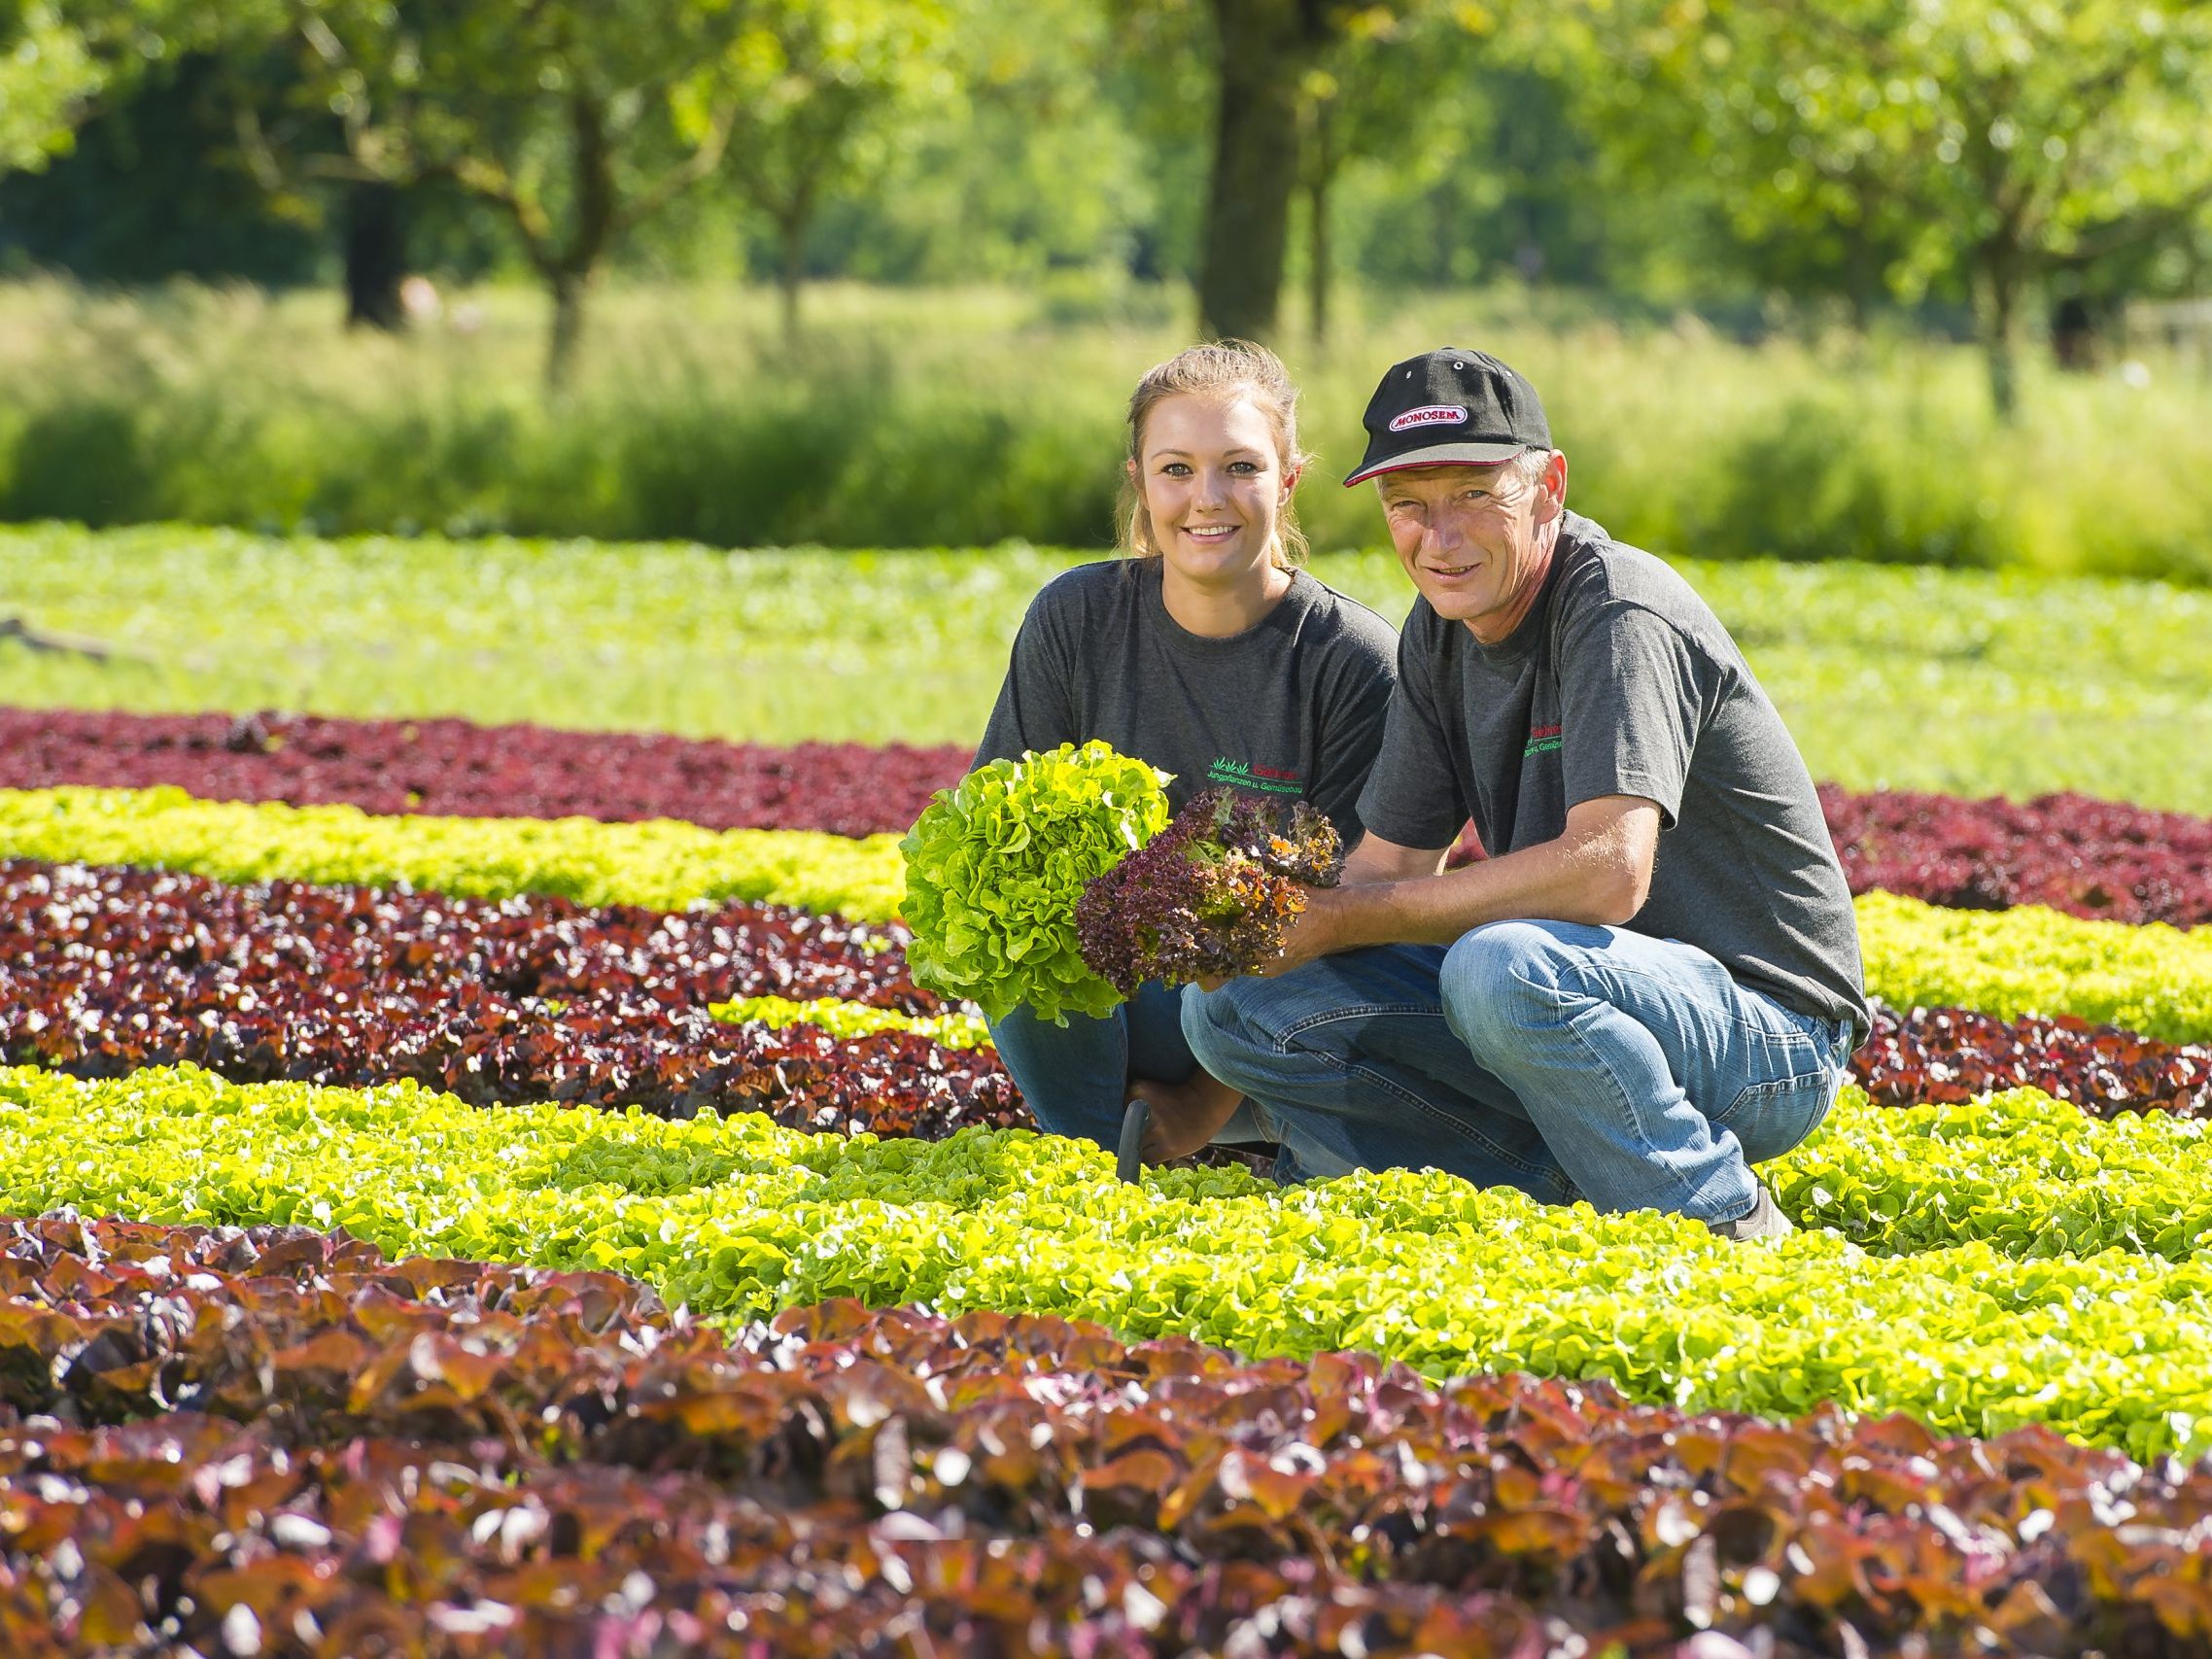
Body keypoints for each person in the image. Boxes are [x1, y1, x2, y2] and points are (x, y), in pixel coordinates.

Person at [1166, 347, 1868, 1240]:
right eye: (1408, 506)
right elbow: (1387, 863)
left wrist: (1344, 919)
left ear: (1548, 487)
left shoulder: (1615, 608)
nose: (1439, 535)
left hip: (1767, 1031)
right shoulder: (1439, 633)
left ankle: (1723, 1220)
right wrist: (1263, 921)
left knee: (1500, 967)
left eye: (1472, 494)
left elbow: (1608, 875)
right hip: (1583, 1004)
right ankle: (1574, 1181)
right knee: (1227, 1008)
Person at [976, 340, 1400, 1161]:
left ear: (1289, 478)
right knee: (1018, 936)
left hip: (1269, 1022)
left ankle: (1225, 1130)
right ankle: (1096, 1156)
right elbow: (996, 847)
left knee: (1269, 986)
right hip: (1111, 1009)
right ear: (1139, 480)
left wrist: (1202, 1107)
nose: (1208, 499)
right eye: (1176, 468)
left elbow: (1356, 926)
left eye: (1241, 467)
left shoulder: (1352, 661)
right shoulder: (1076, 619)